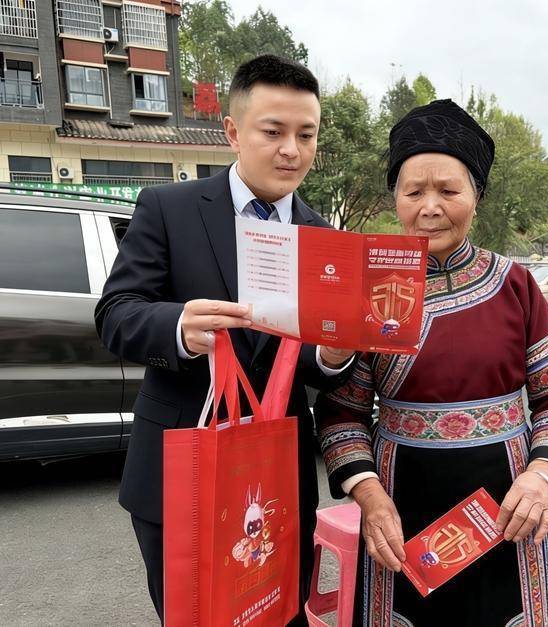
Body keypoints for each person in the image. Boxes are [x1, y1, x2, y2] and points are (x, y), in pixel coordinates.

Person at [94, 54, 356, 625]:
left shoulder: (321, 236)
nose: (291, 150)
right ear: (233, 131)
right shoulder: (169, 208)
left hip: (278, 476)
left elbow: (308, 358)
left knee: (278, 612)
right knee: (193, 615)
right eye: (273, 132)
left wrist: (332, 356)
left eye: (306, 134)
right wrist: (179, 328)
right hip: (182, 468)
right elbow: (115, 314)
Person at [314, 99, 548, 627]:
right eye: (413, 192)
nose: (430, 207)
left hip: (506, 506)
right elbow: (341, 413)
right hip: (400, 504)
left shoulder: (514, 285)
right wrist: (370, 497)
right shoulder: (368, 289)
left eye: (448, 191)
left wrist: (540, 476)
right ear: (395, 199)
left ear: (476, 197)